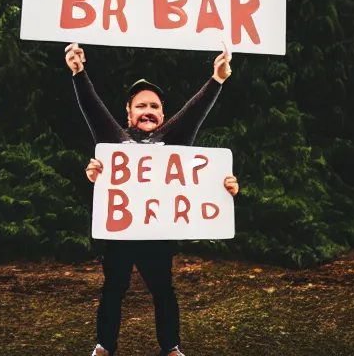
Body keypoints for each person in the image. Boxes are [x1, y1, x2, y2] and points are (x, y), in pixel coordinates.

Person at [65, 43, 239, 356]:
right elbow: (93, 109)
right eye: (141, 105)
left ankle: (170, 348)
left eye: (155, 106)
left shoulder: (173, 140)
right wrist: (78, 72)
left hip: (158, 232)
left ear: (162, 114)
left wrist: (223, 185)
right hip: (120, 233)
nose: (148, 110)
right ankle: (104, 346)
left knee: (163, 291)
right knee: (113, 290)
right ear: (129, 114)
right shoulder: (114, 142)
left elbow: (194, 112)